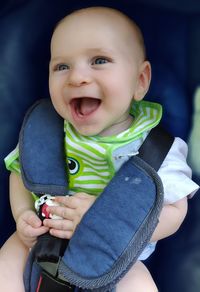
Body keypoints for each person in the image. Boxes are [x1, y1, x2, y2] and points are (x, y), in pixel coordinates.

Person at [0, 6, 199, 292]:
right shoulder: (46, 132)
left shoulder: (156, 149)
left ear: (140, 81)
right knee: (5, 266)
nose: (77, 77)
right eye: (61, 66)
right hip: (41, 240)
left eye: (99, 60)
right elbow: (20, 172)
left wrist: (107, 222)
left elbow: (175, 210)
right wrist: (22, 215)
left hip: (116, 255)